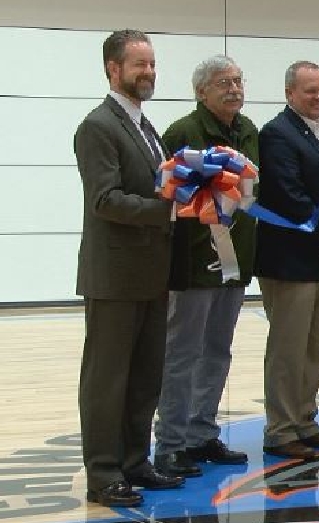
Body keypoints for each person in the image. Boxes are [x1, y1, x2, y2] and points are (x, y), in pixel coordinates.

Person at [74, 29, 183, 508]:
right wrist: (168, 210)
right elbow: (105, 200)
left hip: (151, 274)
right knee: (107, 380)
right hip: (114, 277)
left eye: (152, 63)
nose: (149, 72)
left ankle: (136, 461)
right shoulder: (98, 126)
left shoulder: (145, 126)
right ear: (112, 69)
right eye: (139, 64)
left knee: (144, 377)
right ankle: (102, 473)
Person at [153, 55, 255, 477]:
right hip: (193, 261)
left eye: (237, 80)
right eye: (222, 82)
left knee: (217, 350)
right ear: (201, 92)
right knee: (182, 353)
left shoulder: (248, 131)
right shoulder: (182, 132)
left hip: (235, 262)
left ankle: (202, 432)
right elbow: (166, 194)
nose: (233, 88)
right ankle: (172, 443)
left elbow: (250, 192)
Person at [256, 61, 319, 458]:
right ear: (289, 94)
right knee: (288, 348)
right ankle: (281, 429)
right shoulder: (277, 135)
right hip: (289, 261)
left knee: (315, 347)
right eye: (310, 90)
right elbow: (288, 195)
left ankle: (304, 419)